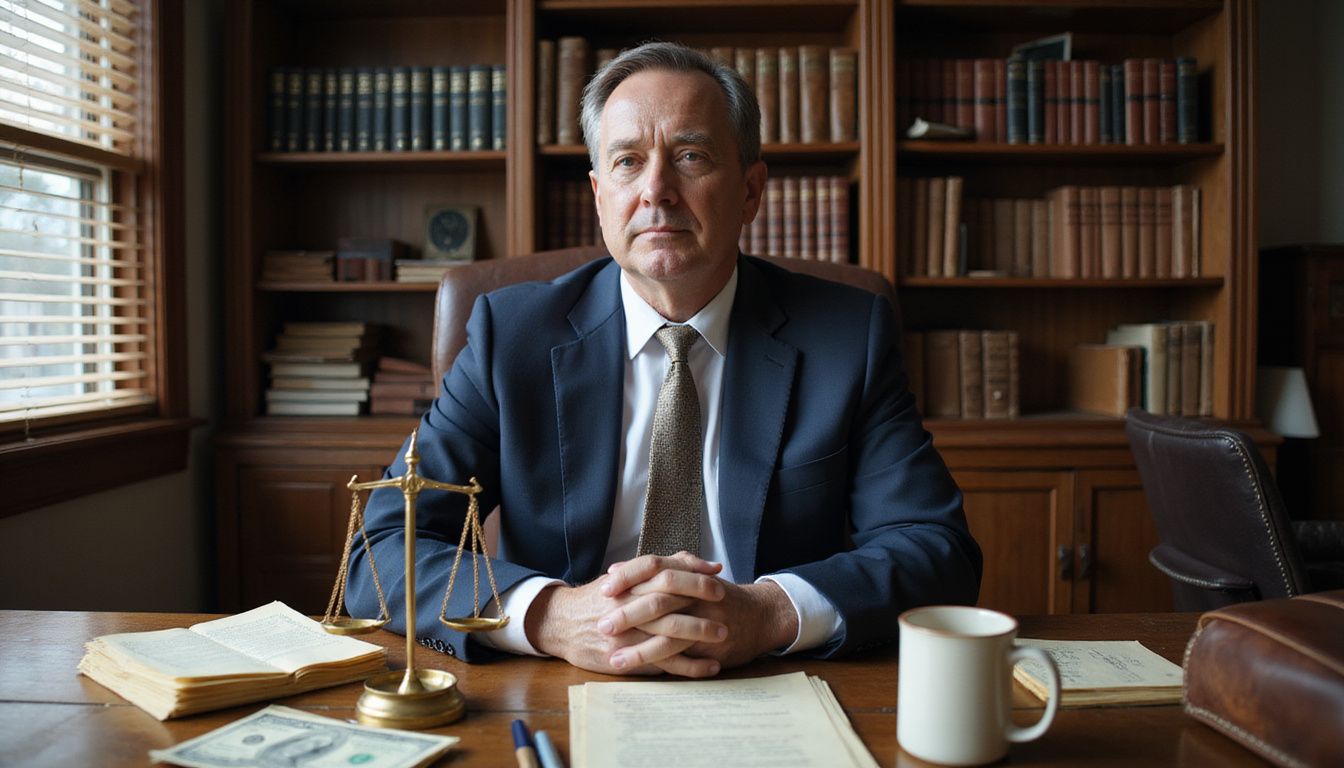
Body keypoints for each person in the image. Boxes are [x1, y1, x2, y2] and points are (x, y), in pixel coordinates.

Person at [348, 42, 981, 678]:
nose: (657, 191)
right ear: (599, 196)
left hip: (774, 676)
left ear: (751, 190)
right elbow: (383, 550)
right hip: (560, 678)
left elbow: (935, 547)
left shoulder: (846, 335)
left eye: (690, 156)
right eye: (628, 162)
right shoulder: (510, 336)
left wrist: (769, 613)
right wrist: (552, 616)